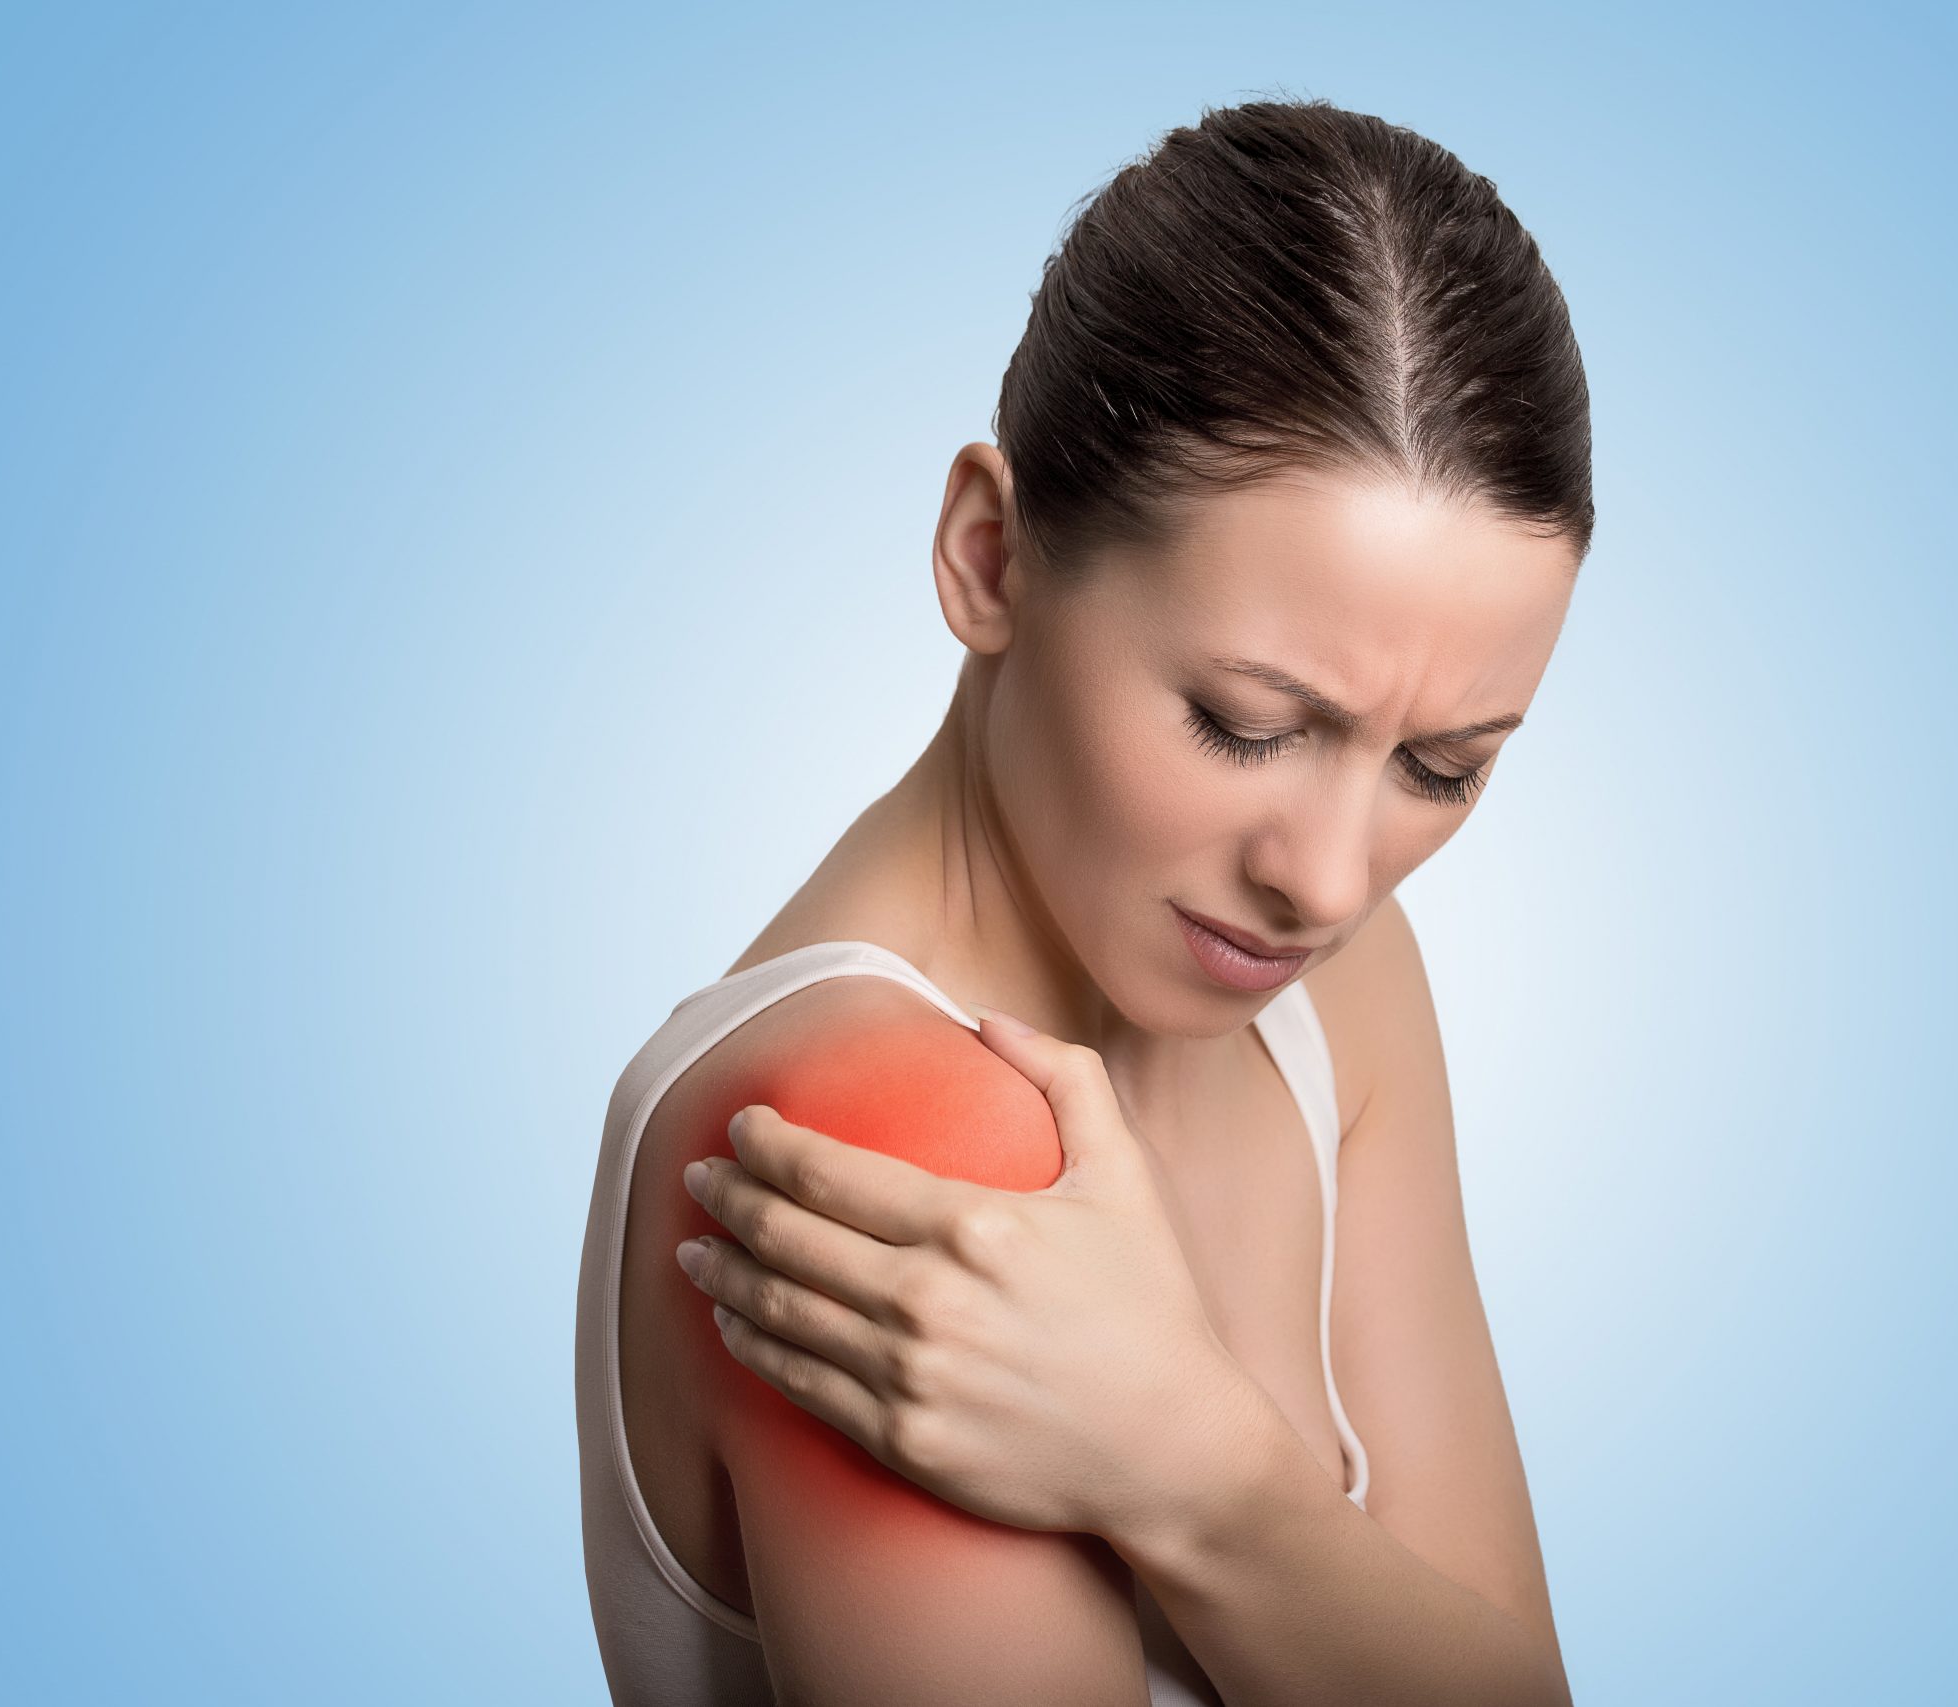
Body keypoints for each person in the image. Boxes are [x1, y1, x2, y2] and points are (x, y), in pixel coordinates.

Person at [575, 95, 1592, 1706]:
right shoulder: (876, 1131)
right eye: (1247, 726)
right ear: (991, 556)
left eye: (1443, 767)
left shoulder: (1343, 989)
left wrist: (1195, 1475)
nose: (1327, 880)